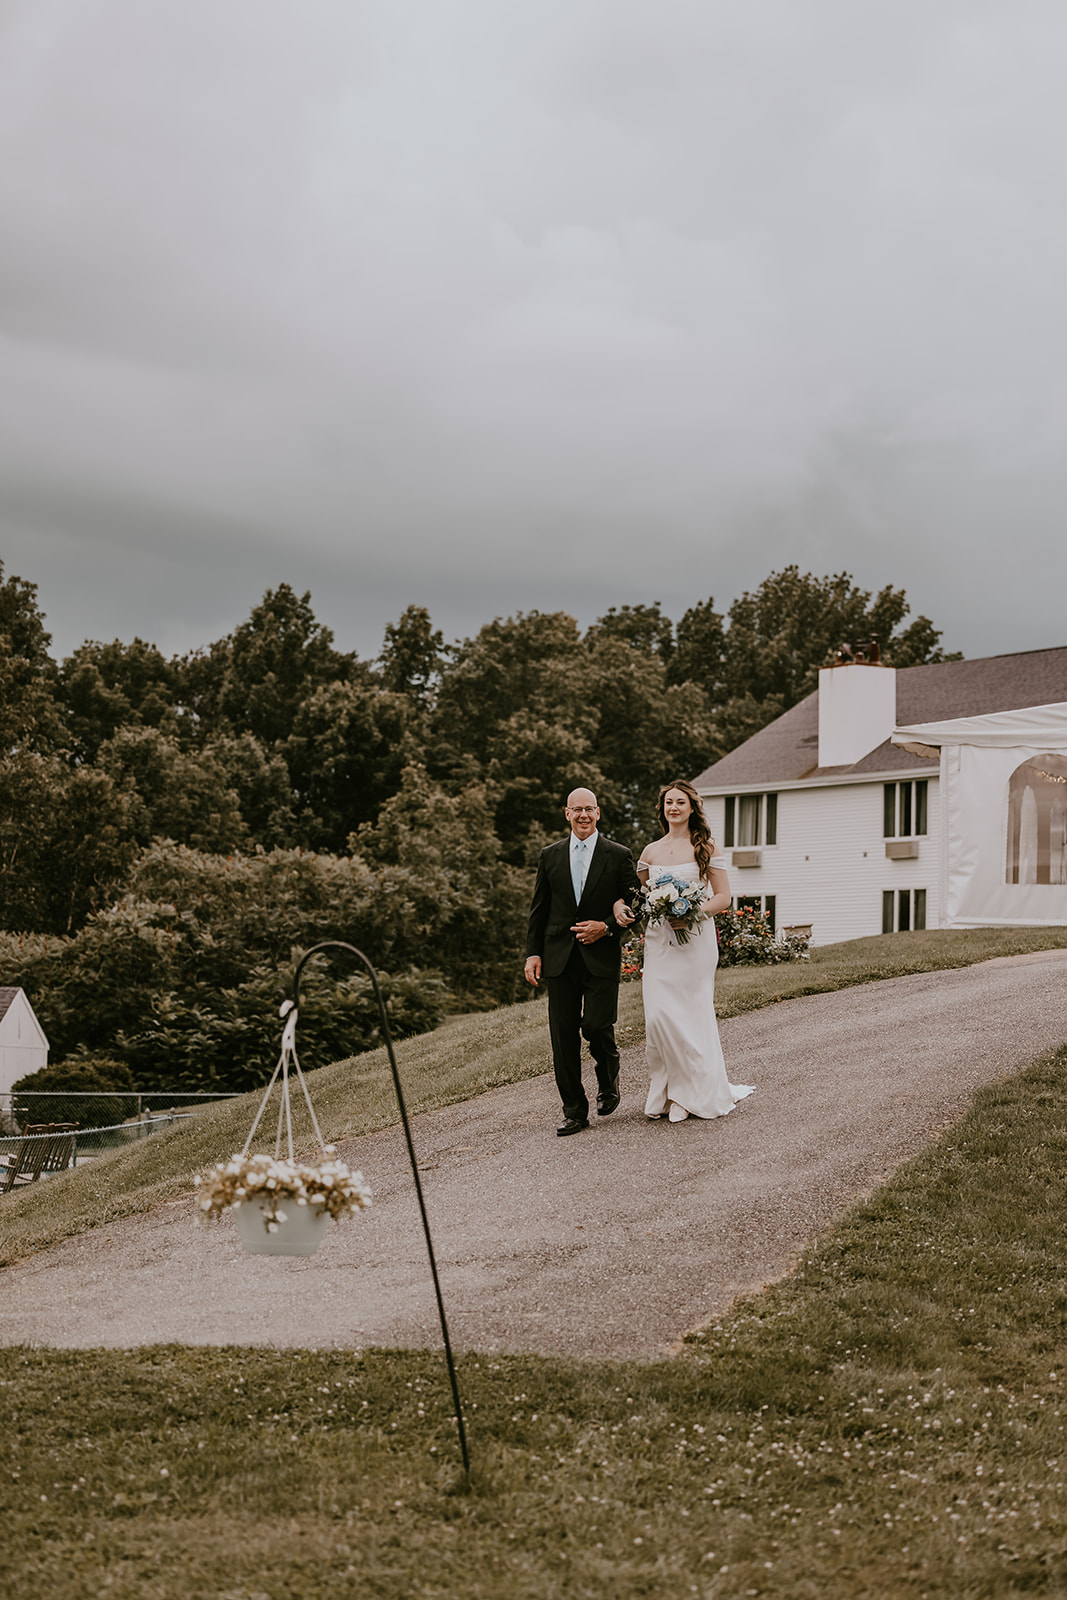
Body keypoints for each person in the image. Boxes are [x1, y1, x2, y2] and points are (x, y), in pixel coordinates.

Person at [616, 778, 754, 1123]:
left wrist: (691, 912)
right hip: (660, 943)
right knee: (660, 1018)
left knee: (692, 1016)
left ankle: (691, 1095)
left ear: (692, 808)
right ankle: (669, 1091)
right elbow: (639, 894)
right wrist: (628, 904)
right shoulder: (650, 852)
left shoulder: (705, 847)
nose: (673, 807)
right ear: (662, 810)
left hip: (695, 941)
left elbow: (723, 897)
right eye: (668, 803)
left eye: (680, 802)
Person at [525, 787, 642, 1137]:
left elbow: (635, 905)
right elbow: (539, 909)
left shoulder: (618, 854)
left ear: (598, 812)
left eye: (589, 809)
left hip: (600, 955)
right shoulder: (550, 856)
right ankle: (574, 1112)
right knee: (562, 1037)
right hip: (558, 957)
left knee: (596, 1025)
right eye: (576, 810)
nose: (583, 816)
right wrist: (533, 953)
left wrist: (605, 926)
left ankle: (609, 1078)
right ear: (566, 814)